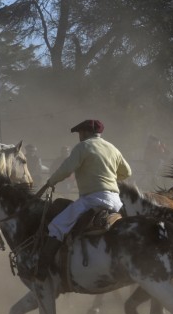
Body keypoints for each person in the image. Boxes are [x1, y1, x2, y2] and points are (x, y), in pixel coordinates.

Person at [36, 119, 132, 281]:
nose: (79, 136)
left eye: (80, 133)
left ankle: (42, 270)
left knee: (57, 226)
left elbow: (66, 169)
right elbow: (127, 172)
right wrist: (111, 177)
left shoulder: (83, 147)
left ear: (86, 132)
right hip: (116, 201)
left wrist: (50, 182)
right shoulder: (112, 148)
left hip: (92, 199)